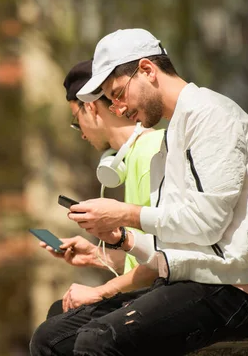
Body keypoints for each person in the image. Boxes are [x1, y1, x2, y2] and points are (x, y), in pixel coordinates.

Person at [30, 29, 248, 356]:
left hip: (231, 288)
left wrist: (124, 213)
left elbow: (207, 223)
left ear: (148, 71)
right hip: (189, 279)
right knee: (50, 337)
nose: (118, 108)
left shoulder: (210, 115)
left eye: (118, 93)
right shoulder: (173, 135)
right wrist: (123, 238)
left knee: (98, 339)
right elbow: (178, 242)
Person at [39, 60, 164, 318]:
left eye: (77, 121)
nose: (82, 134)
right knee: (58, 315)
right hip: (153, 292)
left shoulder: (150, 153)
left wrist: (102, 290)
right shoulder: (134, 156)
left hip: (160, 298)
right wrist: (96, 255)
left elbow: (165, 261)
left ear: (91, 107)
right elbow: (148, 257)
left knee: (56, 326)